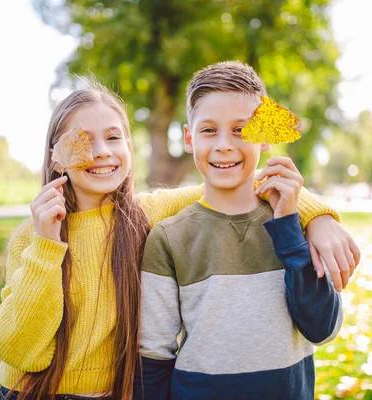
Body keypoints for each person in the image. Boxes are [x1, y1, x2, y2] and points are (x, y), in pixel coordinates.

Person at [0, 81, 357, 400]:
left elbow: (243, 181)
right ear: (56, 157)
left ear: (129, 148)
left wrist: (319, 217)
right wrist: (47, 247)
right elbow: (21, 352)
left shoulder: (145, 215)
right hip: (32, 391)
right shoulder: (33, 238)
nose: (101, 151)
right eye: (82, 141)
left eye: (113, 137)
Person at [135, 61, 345, 400]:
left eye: (240, 129)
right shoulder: (168, 238)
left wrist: (290, 227)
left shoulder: (300, 226)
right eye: (208, 130)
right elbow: (153, 357)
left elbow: (323, 329)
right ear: (189, 139)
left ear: (265, 136)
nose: (223, 145)